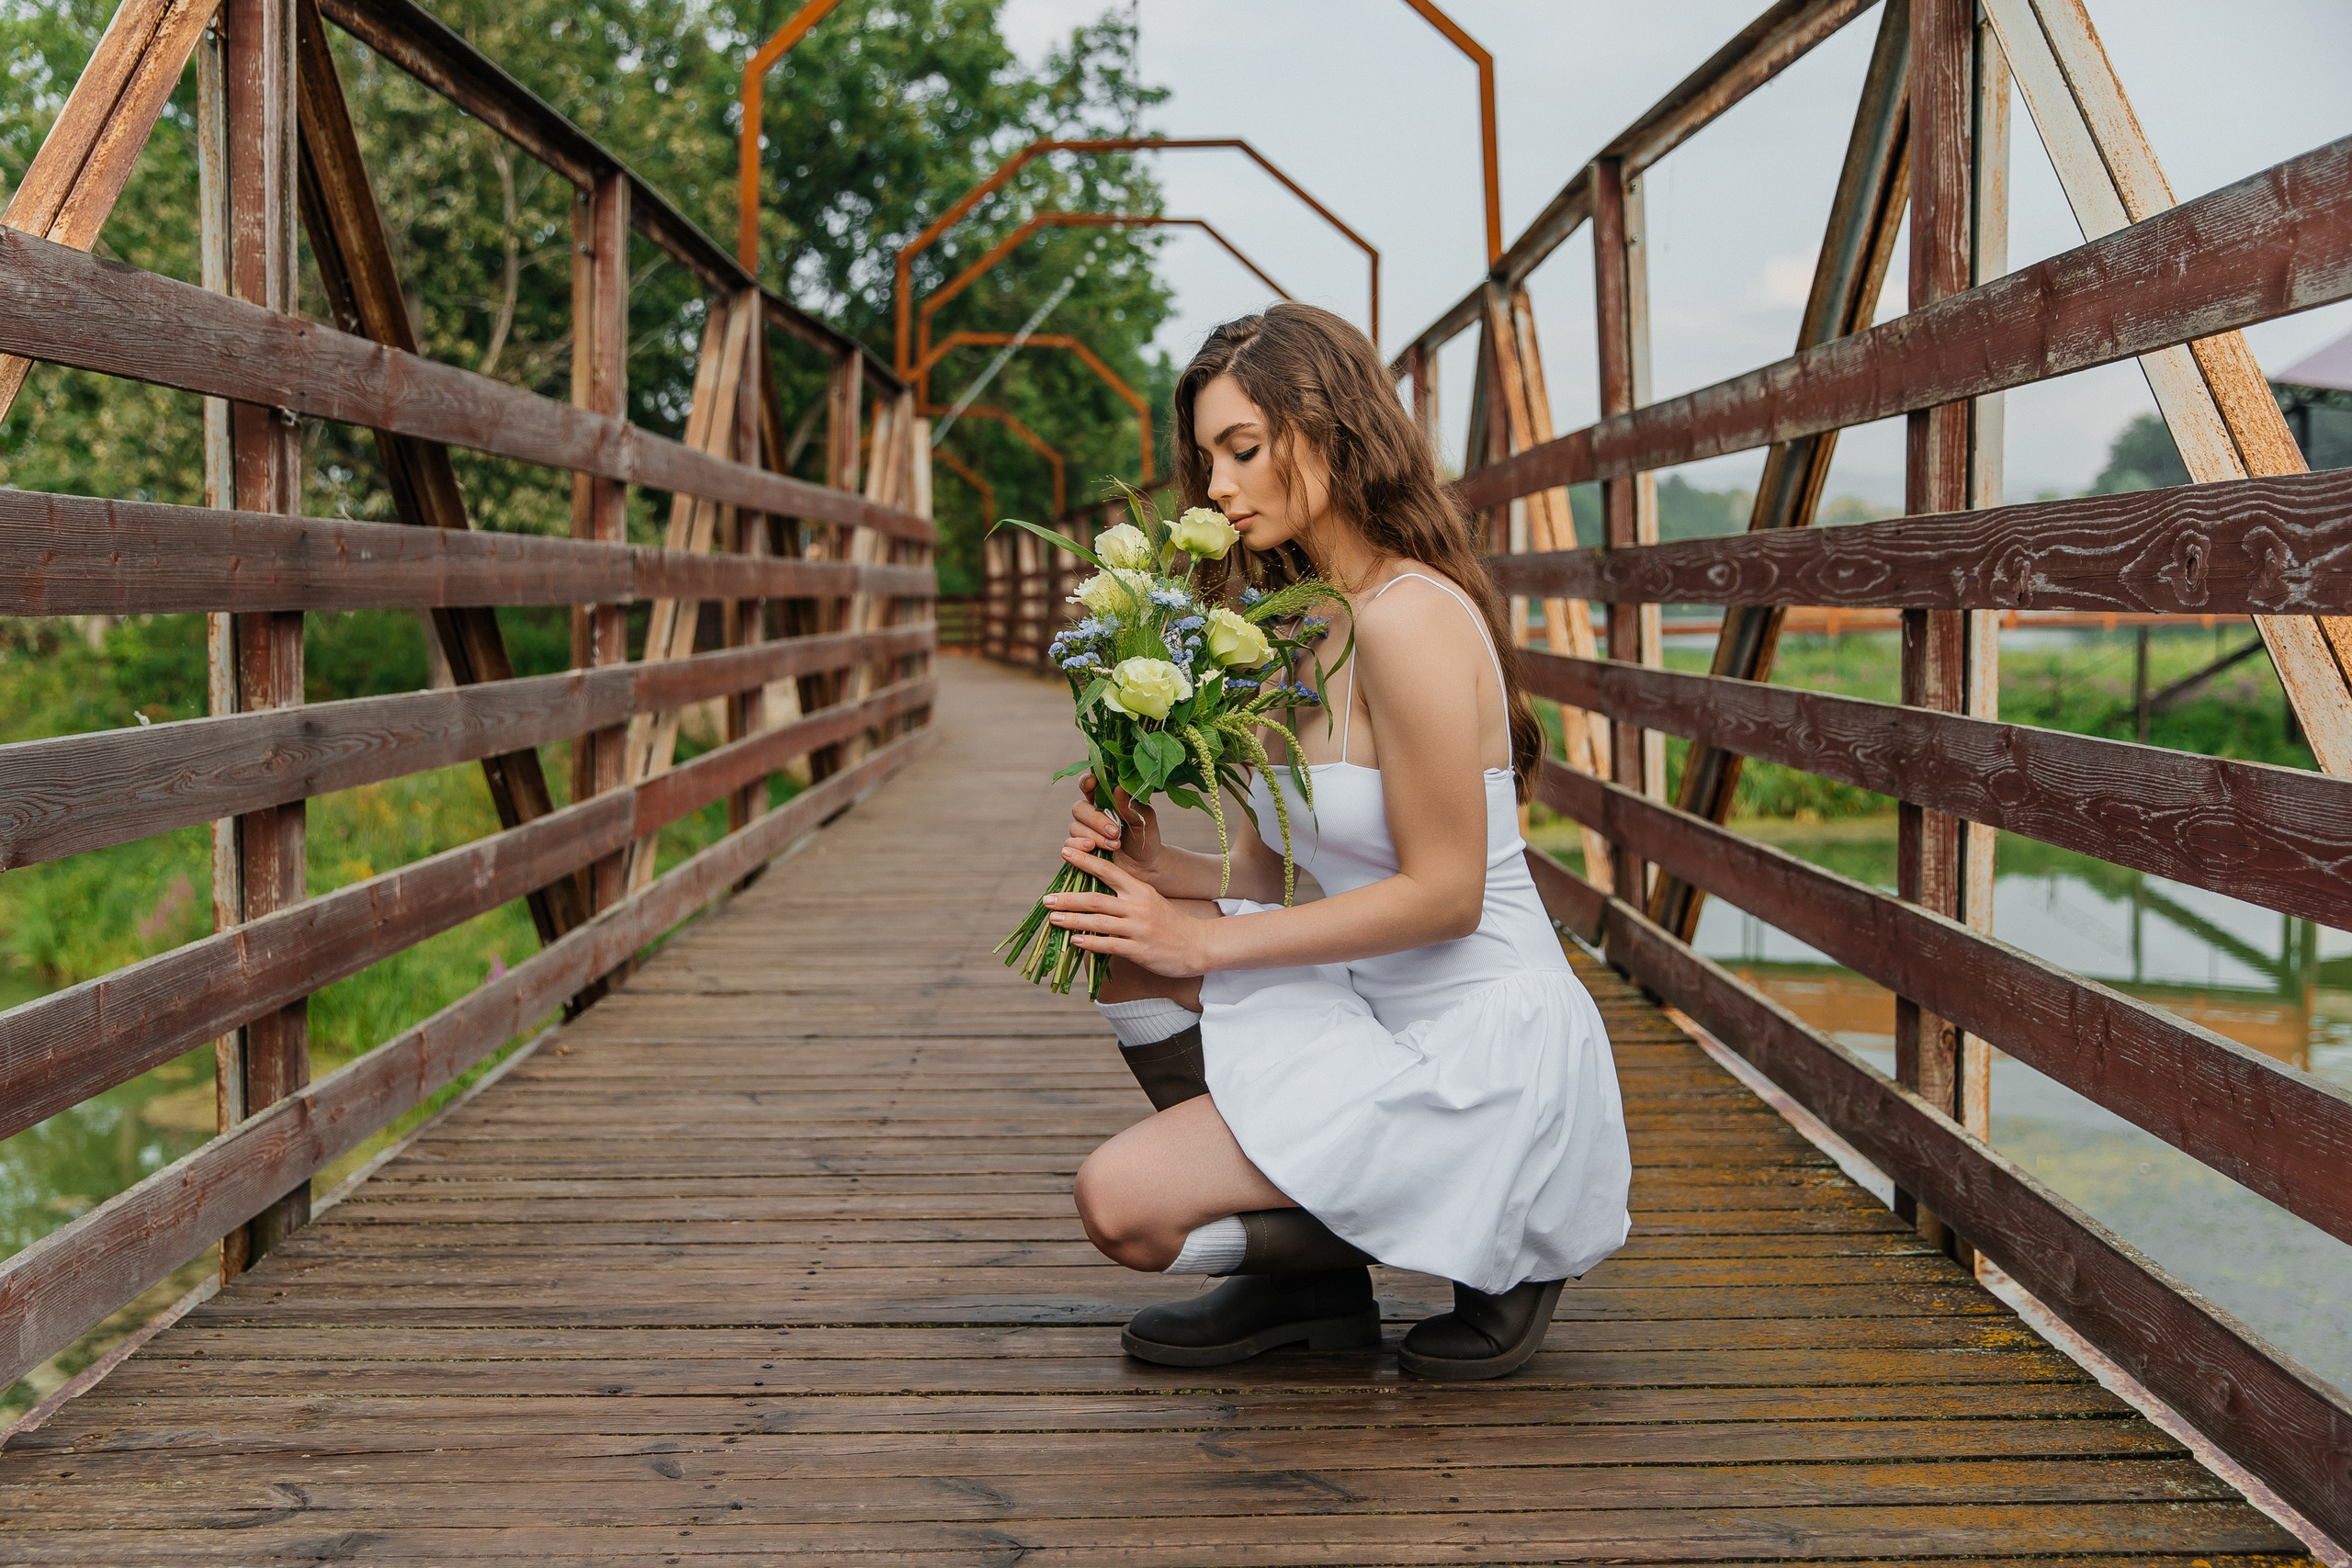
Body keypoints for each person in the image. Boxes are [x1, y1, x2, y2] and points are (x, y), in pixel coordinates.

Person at [1039, 302, 1632, 1381]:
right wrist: (1151, 863)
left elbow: (1447, 895)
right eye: (1207, 458)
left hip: (1476, 1046)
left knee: (1119, 1206)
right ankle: (1309, 1285)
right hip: (1366, 1003)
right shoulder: (1298, 626)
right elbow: (1276, 870)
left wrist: (1203, 944)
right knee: (1117, 938)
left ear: (1326, 429)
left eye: (1243, 450)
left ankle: (1508, 1224)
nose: (1215, 487)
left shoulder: (1411, 618)